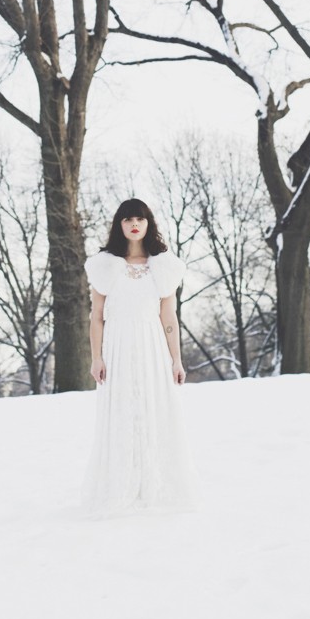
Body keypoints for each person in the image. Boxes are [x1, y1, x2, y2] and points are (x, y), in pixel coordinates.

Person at [79, 198, 200, 518]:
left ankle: (153, 486)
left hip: (152, 347)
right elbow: (97, 317)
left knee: (154, 408)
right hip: (117, 346)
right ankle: (120, 484)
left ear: (149, 224)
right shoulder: (106, 266)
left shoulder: (163, 267)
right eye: (128, 219)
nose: (135, 224)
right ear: (119, 225)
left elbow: (169, 316)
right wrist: (97, 357)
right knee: (121, 409)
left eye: (141, 219)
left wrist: (176, 359)